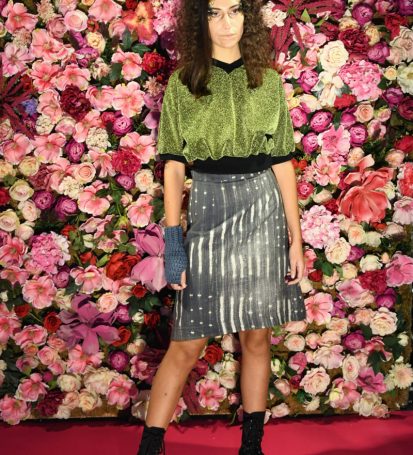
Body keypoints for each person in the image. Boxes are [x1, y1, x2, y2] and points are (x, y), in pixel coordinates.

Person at [137, 0, 306, 454]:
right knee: (186, 342)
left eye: (235, 11)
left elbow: (283, 161)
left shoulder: (267, 81)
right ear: (200, 21)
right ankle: (150, 446)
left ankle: (252, 446)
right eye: (214, 13)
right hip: (209, 206)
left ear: (248, 18)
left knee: (257, 336)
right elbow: (174, 165)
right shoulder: (184, 83)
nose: (227, 23)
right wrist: (174, 242)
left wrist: (296, 239)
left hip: (262, 210)